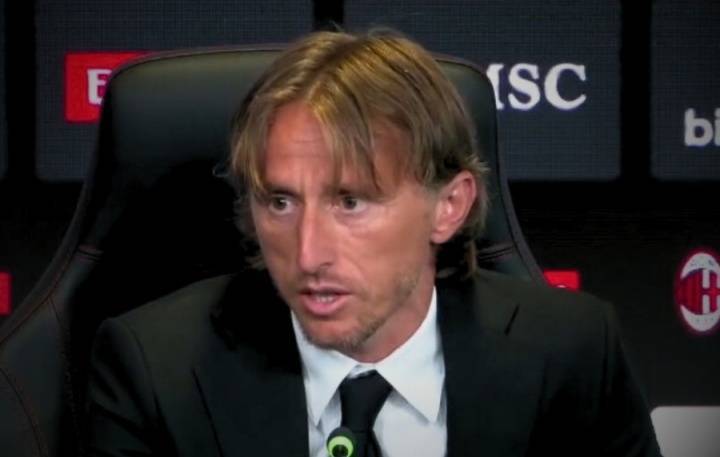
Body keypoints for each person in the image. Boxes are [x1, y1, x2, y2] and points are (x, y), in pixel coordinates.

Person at [87, 30, 660, 457]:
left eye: (351, 202)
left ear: (449, 206)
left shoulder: (573, 355)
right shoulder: (155, 369)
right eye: (280, 202)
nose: (308, 255)